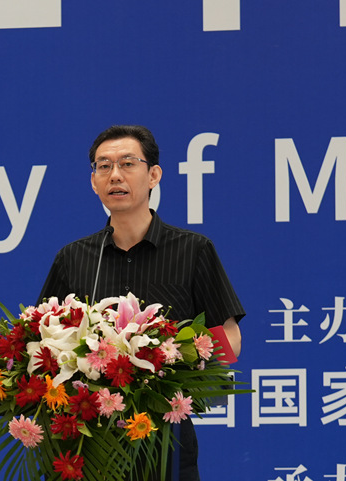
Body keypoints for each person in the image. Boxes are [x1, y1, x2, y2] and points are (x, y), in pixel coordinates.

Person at [38, 125, 245, 481]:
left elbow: (230, 338)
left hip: (164, 442)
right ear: (93, 181)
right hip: (90, 445)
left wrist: (173, 360)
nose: (115, 175)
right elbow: (44, 340)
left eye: (127, 163)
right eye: (103, 166)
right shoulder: (72, 258)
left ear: (153, 175)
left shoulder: (193, 250)